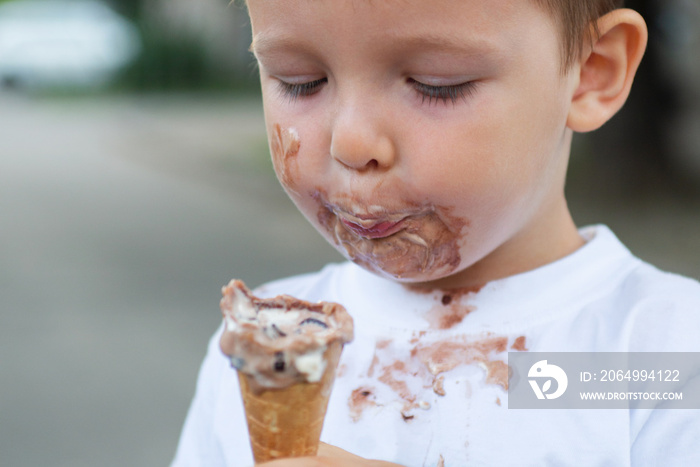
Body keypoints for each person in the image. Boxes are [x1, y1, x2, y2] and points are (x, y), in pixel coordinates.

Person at [172, 1, 700, 465]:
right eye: (299, 80)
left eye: (436, 84)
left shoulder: (661, 358)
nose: (352, 143)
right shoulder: (259, 345)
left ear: (591, 73)